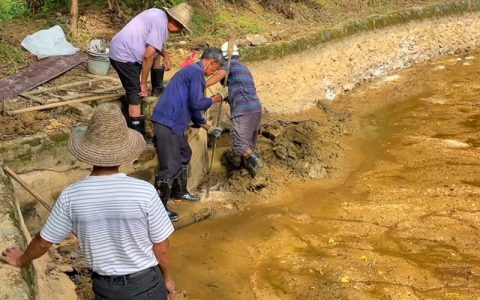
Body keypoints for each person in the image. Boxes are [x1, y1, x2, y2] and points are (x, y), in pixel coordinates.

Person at [0, 103, 175, 300]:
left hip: (106, 288)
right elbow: (161, 247)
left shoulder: (71, 196)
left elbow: (43, 242)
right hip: (147, 284)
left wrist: (21, 259)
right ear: (123, 152)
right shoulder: (145, 192)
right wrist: (167, 278)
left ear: (88, 151)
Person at [151, 47, 226, 222]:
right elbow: (197, 103)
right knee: (170, 166)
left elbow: (191, 106)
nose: (212, 73)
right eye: (215, 69)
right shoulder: (195, 73)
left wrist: (207, 127)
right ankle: (159, 208)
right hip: (167, 122)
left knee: (185, 153)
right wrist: (213, 99)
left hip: (174, 123)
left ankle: (180, 191)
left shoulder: (193, 73)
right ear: (212, 62)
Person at [109, 3, 193, 138]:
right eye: (181, 27)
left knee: (155, 57)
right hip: (124, 56)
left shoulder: (158, 14)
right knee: (135, 96)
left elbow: (154, 42)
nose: (179, 31)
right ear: (175, 21)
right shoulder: (161, 24)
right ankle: (137, 138)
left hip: (122, 48)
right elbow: (148, 56)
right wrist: (143, 82)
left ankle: (157, 89)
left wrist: (165, 55)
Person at [206, 42, 263, 177]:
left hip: (242, 110)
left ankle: (260, 169)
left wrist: (203, 83)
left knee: (239, 144)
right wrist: (222, 97)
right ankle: (246, 174)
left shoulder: (230, 63)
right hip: (255, 108)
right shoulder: (243, 68)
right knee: (248, 144)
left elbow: (220, 74)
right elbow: (238, 91)